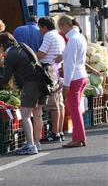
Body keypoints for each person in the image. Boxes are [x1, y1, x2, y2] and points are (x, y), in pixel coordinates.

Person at [0, 32, 48, 155]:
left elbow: (5, 79)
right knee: (38, 114)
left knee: (25, 114)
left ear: (2, 45)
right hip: (42, 82)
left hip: (31, 84)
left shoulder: (11, 55)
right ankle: (37, 143)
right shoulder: (22, 47)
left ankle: (30, 146)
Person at [56, 15, 88, 148]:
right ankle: (79, 137)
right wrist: (62, 56)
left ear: (64, 25)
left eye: (61, 28)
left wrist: (66, 83)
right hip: (82, 76)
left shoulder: (72, 40)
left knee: (74, 109)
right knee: (76, 109)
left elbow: (70, 64)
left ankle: (78, 138)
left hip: (75, 78)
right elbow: (72, 55)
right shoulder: (79, 37)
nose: (61, 31)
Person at [36, 17, 66, 144]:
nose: (39, 30)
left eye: (40, 28)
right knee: (59, 104)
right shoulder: (59, 36)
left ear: (44, 27)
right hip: (58, 72)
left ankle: (55, 134)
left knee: (53, 106)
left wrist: (31, 57)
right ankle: (60, 131)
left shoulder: (48, 36)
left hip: (50, 73)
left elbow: (42, 54)